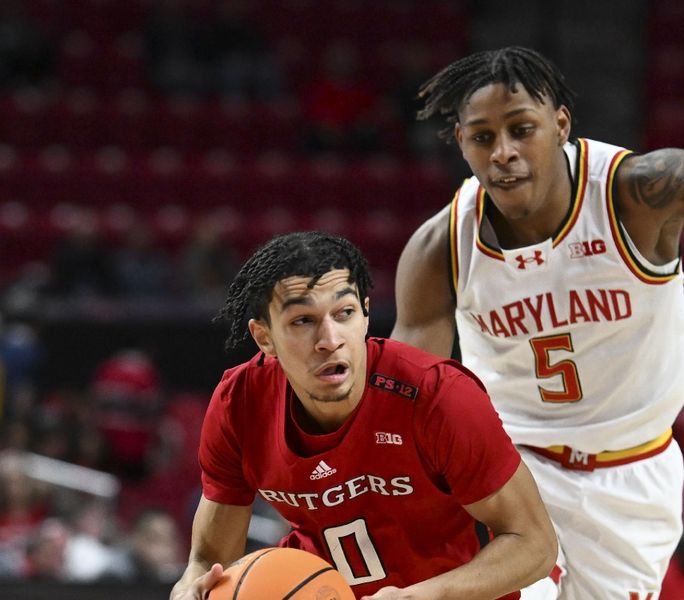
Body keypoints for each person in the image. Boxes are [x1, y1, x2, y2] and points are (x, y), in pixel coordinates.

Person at [390, 46, 684, 599]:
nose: (504, 152)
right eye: (483, 137)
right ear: (461, 142)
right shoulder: (439, 247)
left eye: (521, 129)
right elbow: (407, 399)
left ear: (560, 124)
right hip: (512, 470)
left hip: (634, 473)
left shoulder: (636, 192)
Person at [170, 231, 557, 600]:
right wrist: (191, 584)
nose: (330, 339)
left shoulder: (438, 397)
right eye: (303, 321)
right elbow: (207, 561)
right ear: (264, 337)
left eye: (345, 313)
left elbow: (534, 545)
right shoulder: (240, 403)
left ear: (366, 316)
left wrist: (421, 595)